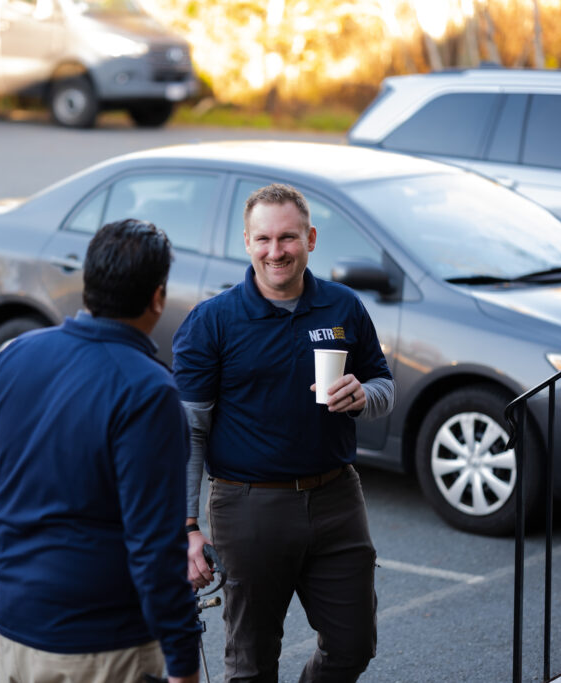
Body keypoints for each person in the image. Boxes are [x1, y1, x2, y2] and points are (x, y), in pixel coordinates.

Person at [0, 219, 201, 683]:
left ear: (88, 285)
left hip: (17, 632)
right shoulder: (149, 391)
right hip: (105, 647)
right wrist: (182, 662)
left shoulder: (13, 358)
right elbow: (155, 547)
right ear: (158, 297)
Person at [172, 183, 395, 682]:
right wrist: (186, 528)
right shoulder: (212, 322)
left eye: (288, 238)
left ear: (311, 238)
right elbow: (188, 433)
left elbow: (383, 385)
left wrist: (365, 397)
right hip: (249, 506)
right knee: (250, 663)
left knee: (353, 645)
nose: (277, 252)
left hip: (338, 498)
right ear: (247, 243)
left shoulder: (343, 308)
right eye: (264, 239)